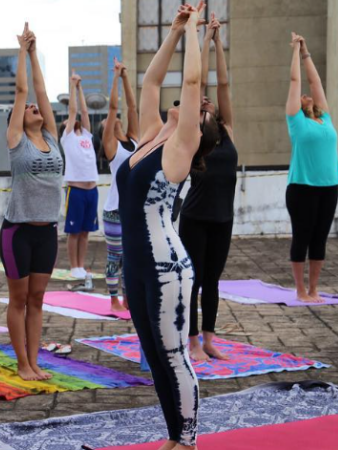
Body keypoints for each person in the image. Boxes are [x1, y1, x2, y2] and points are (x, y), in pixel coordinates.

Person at [116, 3, 218, 449]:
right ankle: (174, 436)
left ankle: (188, 441)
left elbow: (193, 82)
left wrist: (195, 28)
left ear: (201, 128)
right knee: (156, 357)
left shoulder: (181, 146)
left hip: (166, 268)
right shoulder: (152, 134)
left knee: (174, 356)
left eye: (204, 111)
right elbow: (151, 81)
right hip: (136, 264)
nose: (200, 104)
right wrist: (175, 31)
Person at [0, 23, 63, 382]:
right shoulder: (16, 141)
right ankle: (22, 364)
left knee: (37, 300)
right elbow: (24, 89)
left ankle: (35, 362)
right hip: (18, 231)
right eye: (28, 109)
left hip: (47, 231)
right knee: (19, 299)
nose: (35, 107)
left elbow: (39, 89)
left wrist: (37, 54)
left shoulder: (51, 137)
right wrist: (22, 51)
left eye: (37, 108)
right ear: (17, 119)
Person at [179, 14, 237, 361]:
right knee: (194, 281)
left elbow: (223, 86)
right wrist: (200, 38)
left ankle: (210, 338)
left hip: (222, 218)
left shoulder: (227, 131)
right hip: (195, 218)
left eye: (210, 103)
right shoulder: (194, 138)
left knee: (213, 281)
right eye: (202, 103)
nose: (208, 102)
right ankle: (192, 341)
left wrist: (217, 42)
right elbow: (196, 82)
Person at [284, 32, 338, 303]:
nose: (307, 95)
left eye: (310, 96)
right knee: (302, 237)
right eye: (303, 96)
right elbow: (297, 81)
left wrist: (306, 52)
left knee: (320, 239)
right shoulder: (296, 121)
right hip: (302, 187)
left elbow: (314, 80)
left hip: (330, 185)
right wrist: (294, 49)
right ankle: (300, 291)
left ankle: (315, 289)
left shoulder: (325, 117)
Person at [101, 57, 138, 313]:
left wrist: (126, 77)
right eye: (107, 121)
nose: (112, 120)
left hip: (133, 209)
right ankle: (114, 300)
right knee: (116, 257)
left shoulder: (133, 140)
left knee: (131, 259)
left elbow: (132, 107)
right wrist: (114, 76)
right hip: (114, 209)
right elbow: (113, 107)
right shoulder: (112, 147)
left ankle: (127, 300)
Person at [61, 70, 99, 279]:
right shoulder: (67, 138)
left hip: (91, 189)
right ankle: (73, 266)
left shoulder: (85, 135)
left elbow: (84, 113)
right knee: (73, 232)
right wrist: (72, 86)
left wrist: (80, 87)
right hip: (75, 190)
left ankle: (81, 266)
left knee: (85, 232)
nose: (74, 122)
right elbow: (74, 111)